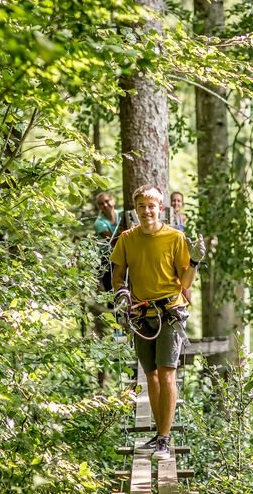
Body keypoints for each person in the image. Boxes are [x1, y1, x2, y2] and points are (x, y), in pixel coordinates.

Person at [111, 185, 205, 460]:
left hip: (170, 313)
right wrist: (122, 293)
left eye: (152, 206)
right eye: (142, 206)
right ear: (136, 210)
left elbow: (185, 282)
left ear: (160, 209)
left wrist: (196, 262)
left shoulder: (175, 238)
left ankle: (164, 439)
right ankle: (158, 435)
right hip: (141, 314)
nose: (147, 211)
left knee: (167, 373)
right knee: (150, 374)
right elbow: (118, 275)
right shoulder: (127, 239)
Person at [94, 192, 121, 292]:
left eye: (107, 201)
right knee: (111, 291)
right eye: (101, 204)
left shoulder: (122, 214)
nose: (105, 205)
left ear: (113, 201)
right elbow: (113, 241)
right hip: (107, 259)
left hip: (124, 256)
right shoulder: (99, 223)